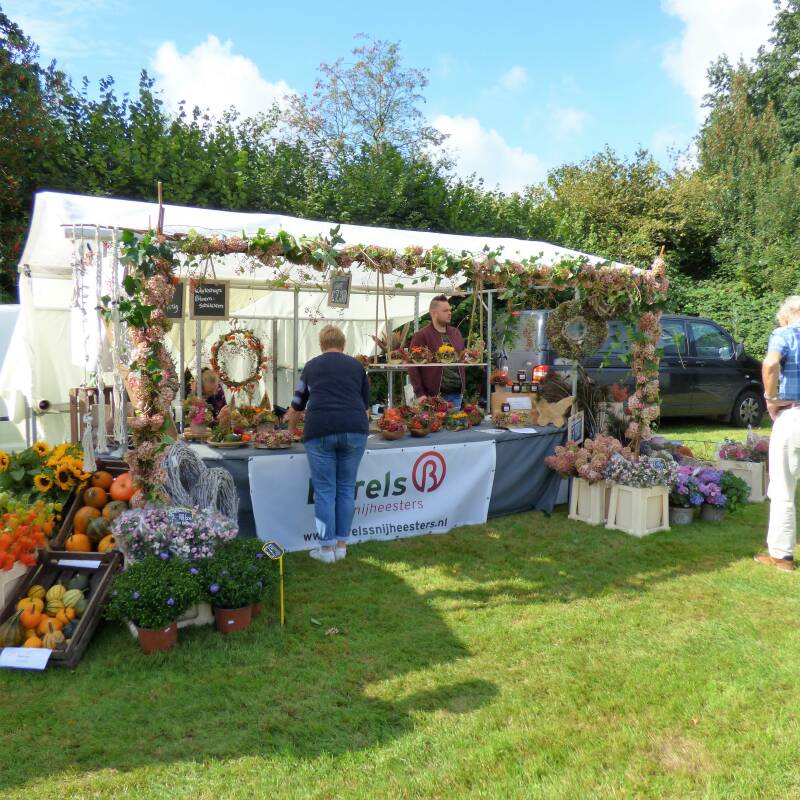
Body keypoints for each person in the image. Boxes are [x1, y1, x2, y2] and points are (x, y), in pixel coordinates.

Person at [286, 325, 370, 564]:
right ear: (343, 345)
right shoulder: (357, 367)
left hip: (320, 429)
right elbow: (365, 406)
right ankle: (341, 547)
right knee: (346, 489)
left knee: (324, 491)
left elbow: (297, 404)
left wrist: (290, 431)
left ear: (321, 345)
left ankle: (326, 549)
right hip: (355, 429)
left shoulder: (311, 366)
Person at [754, 295, 800, 571]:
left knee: (783, 487)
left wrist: (770, 399)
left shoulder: (785, 334)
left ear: (786, 316)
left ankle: (782, 556)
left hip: (793, 414)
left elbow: (771, 364)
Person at [407, 294, 465, 409]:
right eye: (445, 311)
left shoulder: (456, 333)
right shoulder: (422, 335)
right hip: (432, 397)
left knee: (456, 421)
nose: (449, 313)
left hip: (456, 395)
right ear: (434, 313)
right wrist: (420, 394)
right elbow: (412, 366)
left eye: (450, 310)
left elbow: (463, 359)